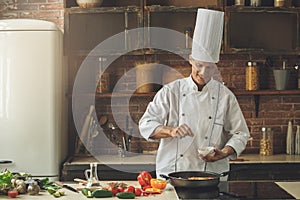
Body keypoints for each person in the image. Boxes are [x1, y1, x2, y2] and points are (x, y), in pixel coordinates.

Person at [139, 8, 250, 179]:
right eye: (199, 65)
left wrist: (224, 152)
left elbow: (241, 133)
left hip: (212, 175)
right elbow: (146, 124)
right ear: (190, 60)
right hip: (172, 174)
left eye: (210, 67)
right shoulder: (171, 92)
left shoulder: (225, 96)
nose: (204, 72)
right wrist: (171, 131)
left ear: (216, 66)